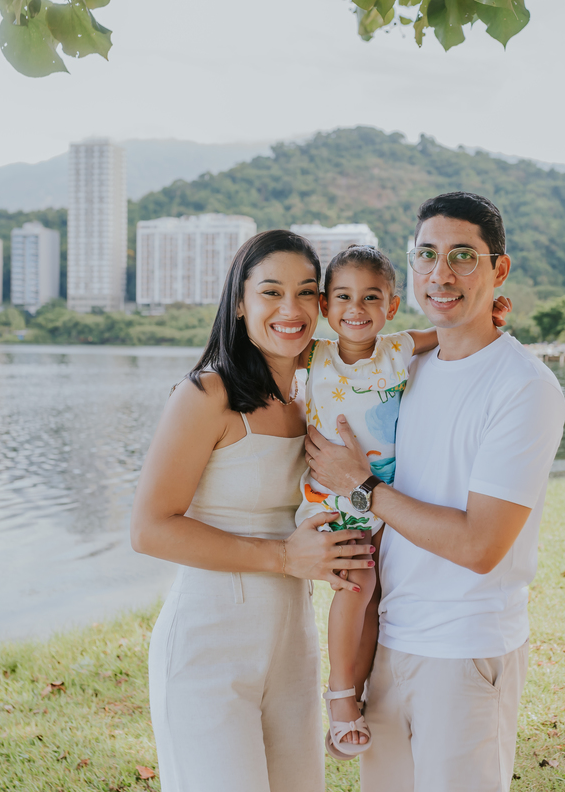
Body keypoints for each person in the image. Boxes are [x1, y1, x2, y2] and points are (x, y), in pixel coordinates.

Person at [305, 192, 565, 792]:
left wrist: (362, 483)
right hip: (392, 641)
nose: (441, 274)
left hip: (466, 650)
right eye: (427, 255)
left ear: (499, 269)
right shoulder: (406, 370)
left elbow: (480, 545)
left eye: (463, 257)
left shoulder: (523, 387)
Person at [129, 230, 376, 792]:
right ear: (240, 304)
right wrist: (286, 557)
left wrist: (478, 321)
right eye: (271, 292)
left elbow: (396, 345)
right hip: (209, 647)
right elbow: (149, 529)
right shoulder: (205, 395)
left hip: (291, 645)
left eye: (308, 293)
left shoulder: (318, 393)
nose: (291, 310)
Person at [296, 245, 511, 760]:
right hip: (333, 494)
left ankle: (360, 686)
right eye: (343, 297)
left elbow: (455, 330)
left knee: (378, 590)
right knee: (359, 585)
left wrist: (491, 312)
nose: (357, 309)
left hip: (383, 497)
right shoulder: (313, 355)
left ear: (392, 306)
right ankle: (340, 696)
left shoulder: (397, 349)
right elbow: (255, 355)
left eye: (372, 298)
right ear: (325, 306)